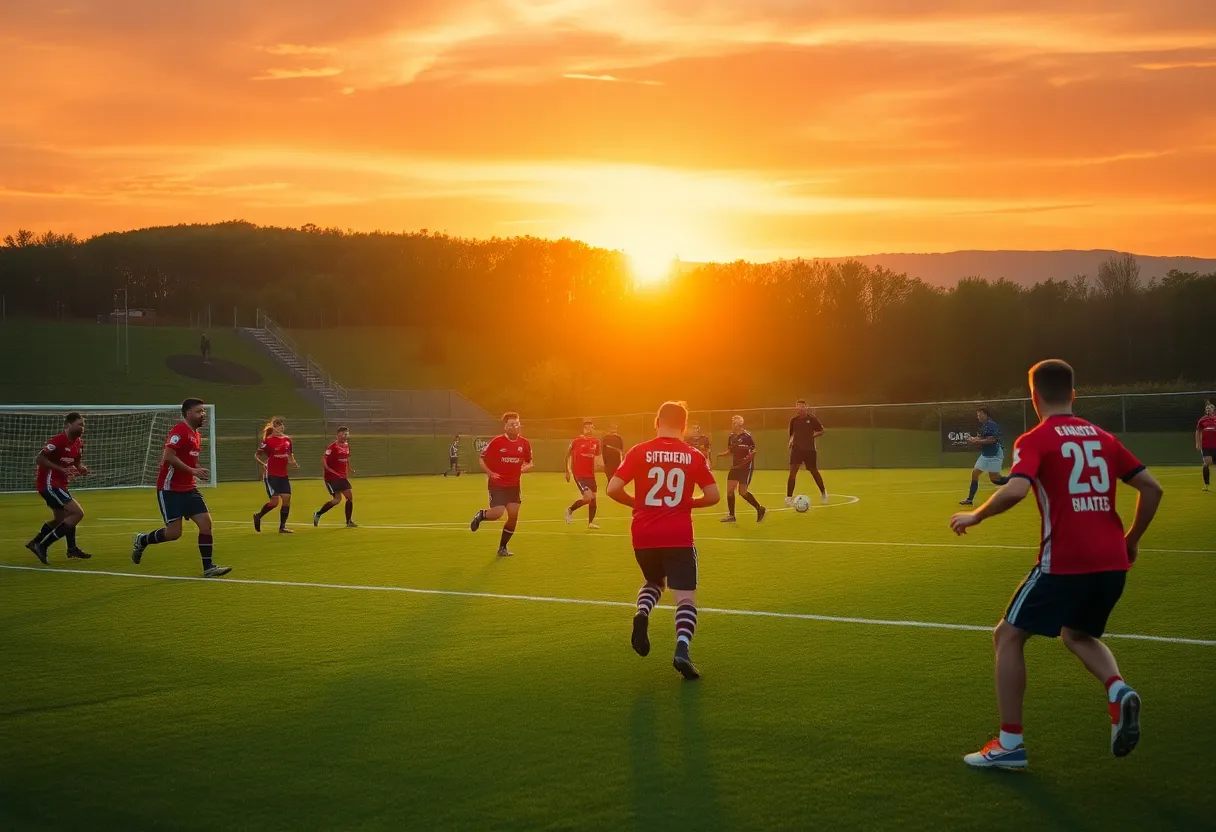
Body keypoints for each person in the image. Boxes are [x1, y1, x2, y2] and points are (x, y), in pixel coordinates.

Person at [950, 359, 1163, 768]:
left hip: (1064, 562)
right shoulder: (1104, 437)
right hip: (1112, 564)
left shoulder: (1036, 438)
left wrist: (975, 515)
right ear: (1074, 395)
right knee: (1077, 634)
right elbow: (1151, 488)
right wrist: (1131, 541)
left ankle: (1010, 746)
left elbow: (1014, 490)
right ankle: (1118, 690)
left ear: (1034, 397)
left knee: (1007, 636)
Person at [607, 400, 720, 680]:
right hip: (678, 534)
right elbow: (713, 495)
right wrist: (686, 504)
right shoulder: (694, 456)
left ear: (656, 422)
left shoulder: (639, 451)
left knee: (655, 582)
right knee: (685, 598)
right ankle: (682, 649)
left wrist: (640, 503)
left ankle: (642, 612)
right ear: (683, 426)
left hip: (643, 532)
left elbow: (612, 489)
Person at [131, 398, 231, 577]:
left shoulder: (196, 435)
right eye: (199, 411)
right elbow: (168, 456)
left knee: (206, 524)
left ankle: (208, 567)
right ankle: (142, 540)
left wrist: (194, 473)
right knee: (174, 533)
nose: (203, 414)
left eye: (203, 411)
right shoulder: (179, 431)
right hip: (170, 489)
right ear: (188, 414)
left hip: (189, 488)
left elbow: (187, 459)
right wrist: (193, 470)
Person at [27, 412, 92, 563]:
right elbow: (39, 459)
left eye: (83, 425)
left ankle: (66, 548)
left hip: (60, 485)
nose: (82, 427)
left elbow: (77, 462)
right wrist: (60, 469)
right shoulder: (57, 441)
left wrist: (81, 468)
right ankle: (42, 546)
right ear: (68, 425)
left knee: (60, 519)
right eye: (79, 424)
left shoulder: (78, 443)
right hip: (49, 484)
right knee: (77, 513)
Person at [470, 412, 533, 557]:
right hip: (497, 484)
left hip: (514, 485)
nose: (515, 427)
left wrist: (524, 468)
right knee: (498, 513)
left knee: (513, 515)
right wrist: (490, 473)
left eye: (517, 424)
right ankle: (481, 515)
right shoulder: (497, 442)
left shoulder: (524, 443)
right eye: (512, 424)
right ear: (505, 426)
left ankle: (502, 547)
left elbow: (530, 462)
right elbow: (482, 458)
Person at [253, 417, 299, 533]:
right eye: (279, 426)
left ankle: (282, 527)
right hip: (271, 475)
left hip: (283, 474)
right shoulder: (268, 441)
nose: (281, 428)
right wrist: (264, 464)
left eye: (282, 426)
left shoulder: (288, 440)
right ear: (274, 428)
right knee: (274, 502)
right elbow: (257, 455)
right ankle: (258, 516)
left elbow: (290, 454)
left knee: (286, 498)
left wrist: (293, 462)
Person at [717, 415, 766, 523]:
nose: (734, 425)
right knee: (730, 491)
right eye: (733, 422)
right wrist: (721, 455)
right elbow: (730, 451)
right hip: (735, 467)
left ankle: (759, 508)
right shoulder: (731, 436)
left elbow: (754, 451)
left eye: (735, 423)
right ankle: (731, 516)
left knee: (742, 492)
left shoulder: (747, 436)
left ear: (740, 424)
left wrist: (747, 459)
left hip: (745, 467)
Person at [960, 406, 1009, 506]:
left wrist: (976, 441)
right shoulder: (983, 426)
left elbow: (992, 440)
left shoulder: (991, 425)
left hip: (995, 454)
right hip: (986, 455)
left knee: (995, 479)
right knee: (975, 473)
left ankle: (1016, 479)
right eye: (978, 415)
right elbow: (980, 438)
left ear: (986, 415)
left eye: (980, 414)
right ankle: (970, 500)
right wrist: (973, 439)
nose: (979, 417)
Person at [786, 400, 827, 505]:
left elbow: (822, 430)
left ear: (806, 407)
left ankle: (823, 493)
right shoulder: (793, 420)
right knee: (792, 473)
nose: (800, 408)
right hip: (796, 450)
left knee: (814, 471)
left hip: (809, 450)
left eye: (802, 406)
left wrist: (812, 436)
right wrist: (790, 441)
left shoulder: (812, 419)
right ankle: (789, 498)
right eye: (798, 406)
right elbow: (792, 434)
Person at [314, 426, 356, 527]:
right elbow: (324, 459)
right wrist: (328, 469)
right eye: (343, 434)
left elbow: (346, 457)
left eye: (346, 434)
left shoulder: (346, 445)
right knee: (337, 500)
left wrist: (349, 468)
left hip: (342, 476)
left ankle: (349, 521)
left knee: (349, 497)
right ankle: (318, 514)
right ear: (338, 435)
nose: (345, 436)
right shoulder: (332, 447)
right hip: (332, 477)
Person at [565, 419, 603, 529]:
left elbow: (598, 459)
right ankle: (570, 510)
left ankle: (590, 523)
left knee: (593, 498)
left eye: (591, 427)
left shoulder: (596, 442)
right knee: (588, 497)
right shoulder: (576, 441)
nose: (589, 429)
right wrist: (567, 471)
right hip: (579, 475)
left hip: (591, 475)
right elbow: (567, 455)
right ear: (583, 429)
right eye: (587, 427)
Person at [1196, 400, 1216, 492]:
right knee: (1207, 463)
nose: (1208, 410)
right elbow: (1198, 431)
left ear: (1213, 409)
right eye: (1207, 409)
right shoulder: (1202, 420)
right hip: (1206, 446)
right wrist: (1198, 443)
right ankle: (1206, 485)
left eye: (1210, 408)